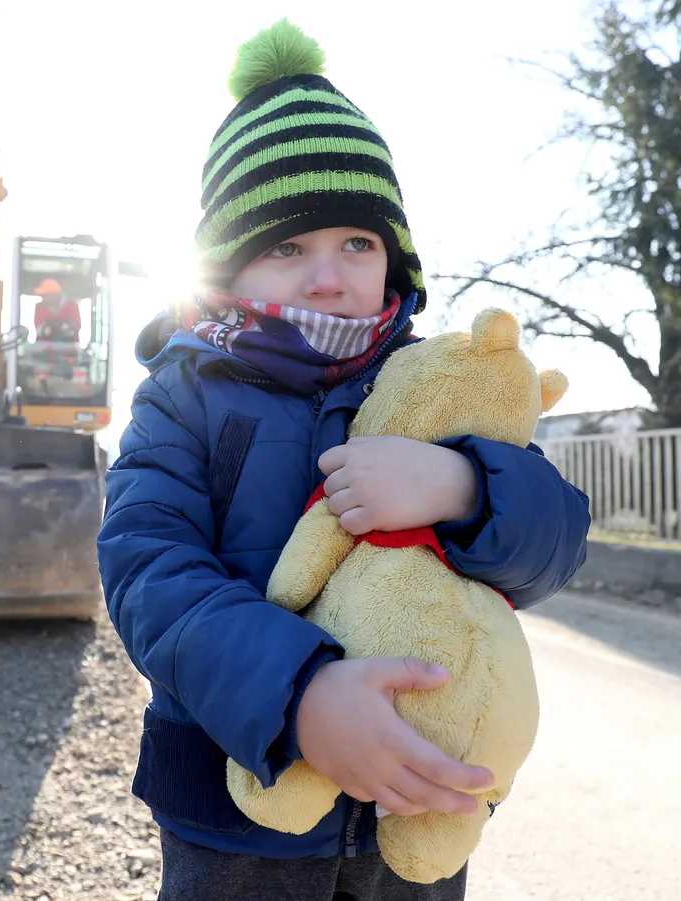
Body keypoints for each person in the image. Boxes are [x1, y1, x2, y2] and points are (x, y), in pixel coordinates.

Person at [96, 20, 591, 901]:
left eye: (357, 243)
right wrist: (298, 697)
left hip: (415, 798)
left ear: (394, 256)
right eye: (287, 247)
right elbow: (149, 570)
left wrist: (467, 485)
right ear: (226, 267)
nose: (329, 276)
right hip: (236, 812)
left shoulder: (437, 384)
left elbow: (558, 540)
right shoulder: (187, 391)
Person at [32, 278, 82, 343]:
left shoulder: (72, 306)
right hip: (44, 350)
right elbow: (39, 329)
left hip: (70, 349)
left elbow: (76, 326)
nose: (42, 298)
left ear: (54, 295)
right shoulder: (39, 307)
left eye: (44, 295)